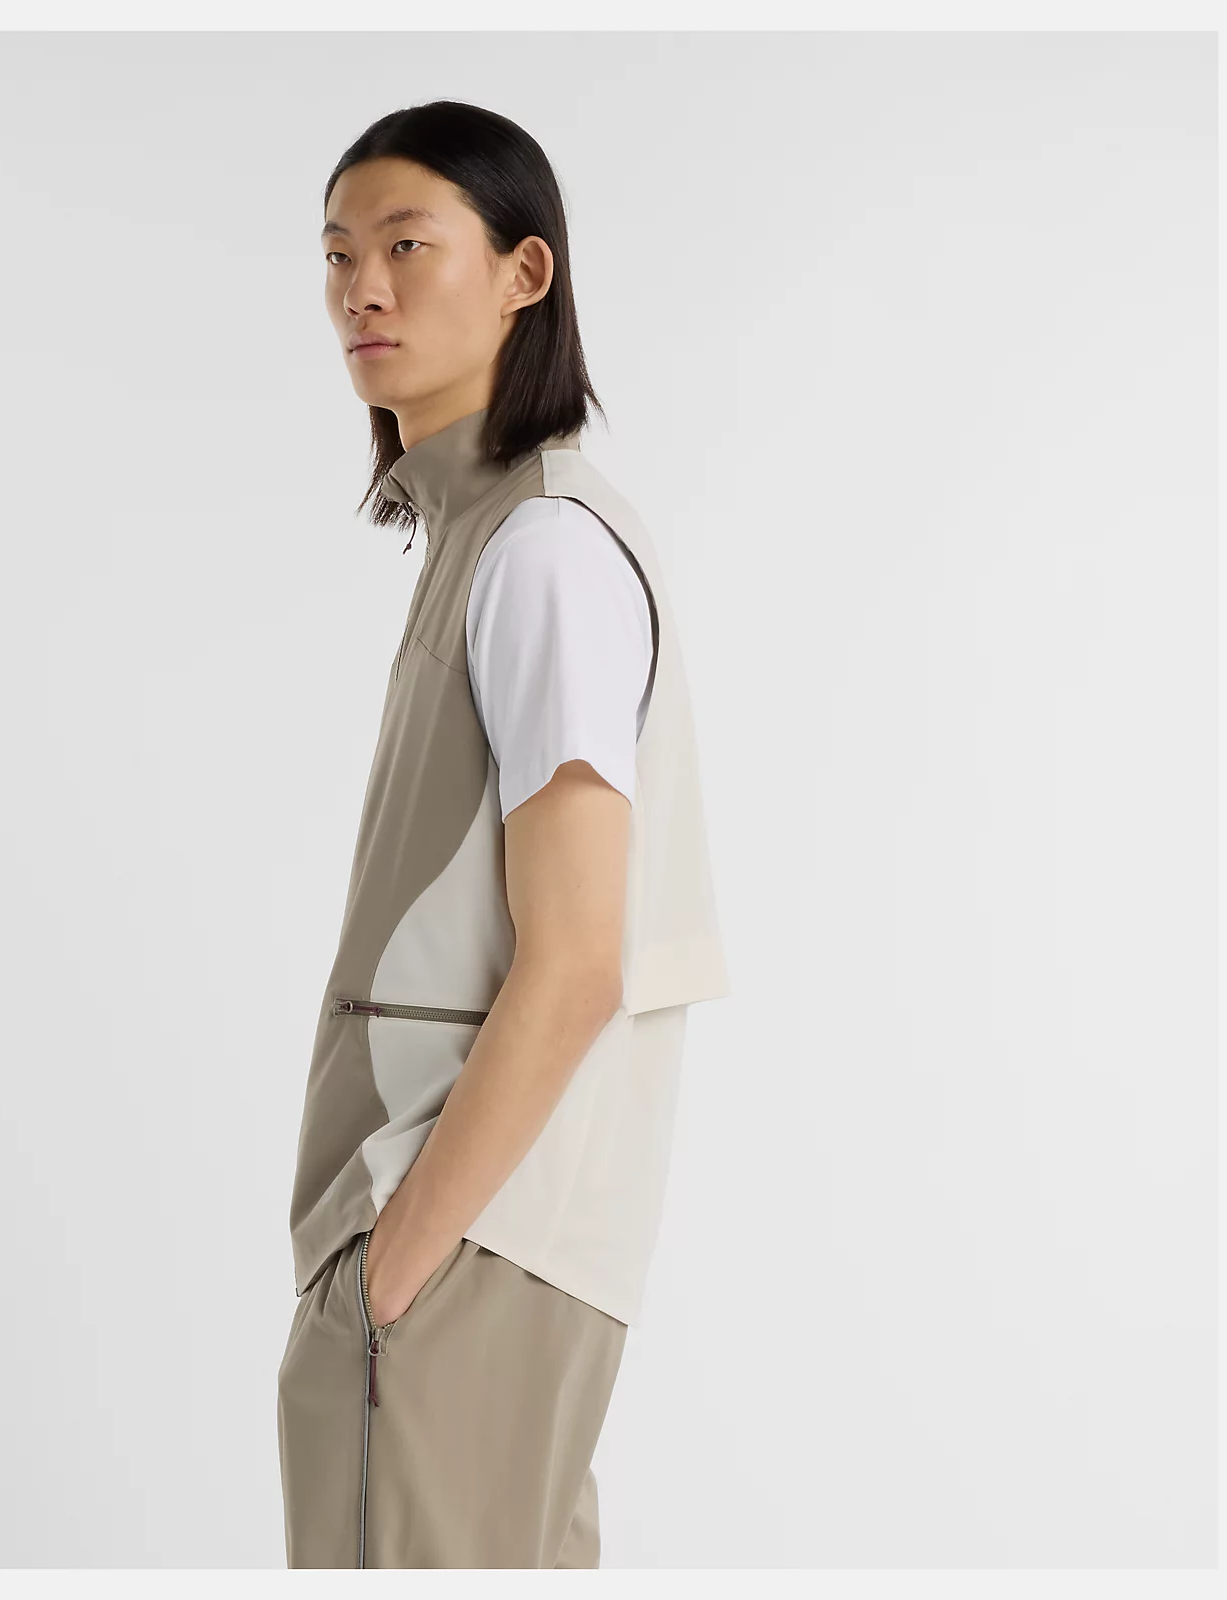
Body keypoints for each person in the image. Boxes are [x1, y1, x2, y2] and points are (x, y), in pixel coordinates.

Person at [277, 100, 730, 1569]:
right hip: (496, 1246)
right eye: (338, 254)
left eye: (408, 246)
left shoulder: (539, 552)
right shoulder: (500, 540)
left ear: (527, 272)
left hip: (463, 1242)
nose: (363, 288)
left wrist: (397, 1261)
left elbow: (578, 958)